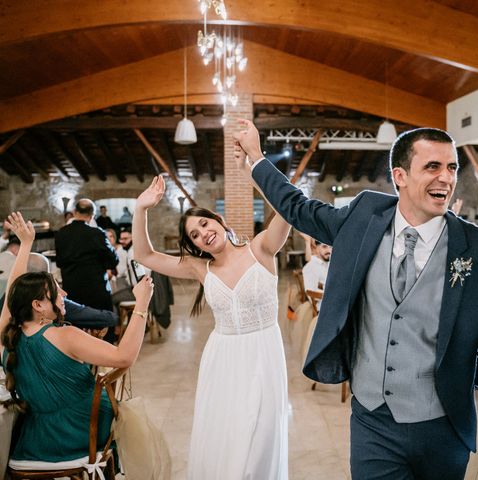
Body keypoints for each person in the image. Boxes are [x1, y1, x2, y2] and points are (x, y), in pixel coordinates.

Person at [233, 120, 478, 480]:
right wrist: (257, 158)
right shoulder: (363, 217)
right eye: (432, 166)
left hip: (443, 426)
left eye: (452, 167)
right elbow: (299, 208)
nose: (446, 178)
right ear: (399, 175)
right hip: (373, 421)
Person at [132, 176, 290, 480]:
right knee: (228, 436)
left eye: (204, 225)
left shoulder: (261, 248)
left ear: (218, 220)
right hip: (223, 359)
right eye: (194, 235)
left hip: (264, 353)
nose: (203, 234)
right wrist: (141, 209)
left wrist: (256, 167)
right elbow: (144, 255)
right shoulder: (199, 268)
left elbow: (286, 208)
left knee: (261, 438)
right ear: (194, 245)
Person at [0, 212, 154, 464]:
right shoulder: (64, 335)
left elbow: (11, 295)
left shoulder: (6, 335)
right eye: (56, 291)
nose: (64, 293)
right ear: (38, 305)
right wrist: (142, 305)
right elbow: (125, 357)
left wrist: (27, 244)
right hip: (82, 431)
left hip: (37, 440)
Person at [55, 199, 119, 311]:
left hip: (72, 292)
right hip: (96, 292)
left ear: (74, 212)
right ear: (92, 215)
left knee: (75, 326)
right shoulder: (97, 234)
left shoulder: (61, 233)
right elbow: (113, 261)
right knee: (104, 324)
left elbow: (60, 262)